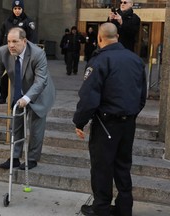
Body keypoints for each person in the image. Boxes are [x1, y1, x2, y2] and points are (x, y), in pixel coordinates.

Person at [73, 23, 147, 216]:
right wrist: (130, 114)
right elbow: (142, 96)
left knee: (102, 167)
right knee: (123, 166)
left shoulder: (100, 60)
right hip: (128, 123)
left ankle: (101, 208)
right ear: (118, 36)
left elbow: (89, 97)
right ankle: (124, 208)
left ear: (99, 38)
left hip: (106, 123)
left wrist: (79, 121)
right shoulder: (136, 60)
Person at [0, 27, 55, 170]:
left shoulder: (38, 53)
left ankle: (32, 159)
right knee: (15, 125)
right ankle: (15, 157)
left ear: (24, 41)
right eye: (9, 41)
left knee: (36, 129)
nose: (11, 45)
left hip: (39, 92)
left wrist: (27, 98)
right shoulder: (3, 51)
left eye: (15, 41)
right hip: (18, 91)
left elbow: (40, 81)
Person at [0, 0, 37, 104]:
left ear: (22, 9)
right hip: (8, 52)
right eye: (15, 8)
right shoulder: (7, 21)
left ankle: (22, 95)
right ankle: (3, 95)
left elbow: (32, 39)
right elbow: (1, 37)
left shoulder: (28, 22)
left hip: (21, 54)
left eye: (19, 8)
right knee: (5, 75)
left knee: (21, 75)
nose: (17, 11)